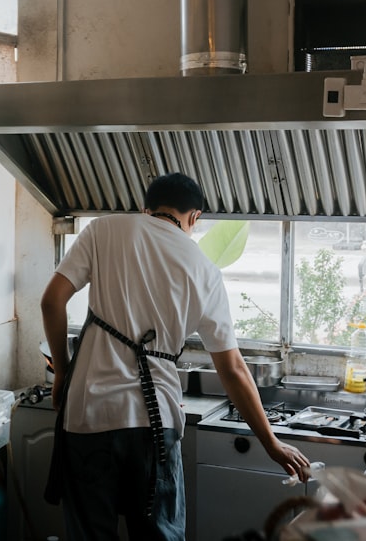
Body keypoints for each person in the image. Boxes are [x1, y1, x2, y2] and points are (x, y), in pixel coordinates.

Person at [40, 172, 311, 541]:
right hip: (156, 425)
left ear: (146, 208)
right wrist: (271, 443)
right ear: (195, 217)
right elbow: (232, 369)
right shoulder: (205, 271)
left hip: (89, 417)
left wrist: (62, 372)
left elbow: (51, 301)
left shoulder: (104, 230)